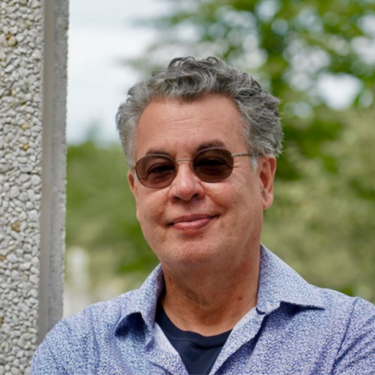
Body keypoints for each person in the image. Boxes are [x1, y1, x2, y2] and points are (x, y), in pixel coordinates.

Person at [32, 57, 375, 374]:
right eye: (159, 169)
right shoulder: (77, 350)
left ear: (264, 180)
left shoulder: (351, 338)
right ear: (137, 193)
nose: (183, 187)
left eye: (212, 162)